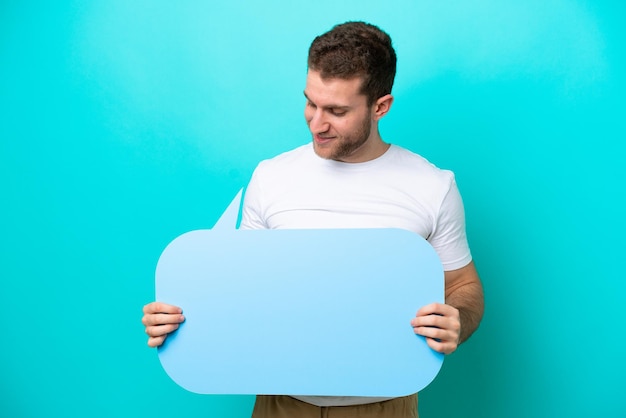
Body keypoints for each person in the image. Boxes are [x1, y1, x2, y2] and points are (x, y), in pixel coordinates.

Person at [142, 21, 484, 418]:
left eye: (336, 111)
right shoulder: (271, 177)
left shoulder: (432, 186)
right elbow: (240, 289)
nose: (316, 123)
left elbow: (464, 284)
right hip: (281, 402)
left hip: (383, 402)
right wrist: (178, 318)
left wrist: (455, 317)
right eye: (310, 102)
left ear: (380, 106)